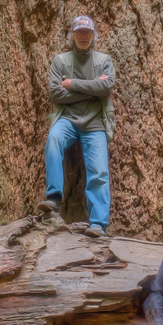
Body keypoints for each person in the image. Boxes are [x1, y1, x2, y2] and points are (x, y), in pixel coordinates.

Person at [40, 15, 116, 237]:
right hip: (68, 120)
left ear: (93, 35)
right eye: (79, 32)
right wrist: (93, 89)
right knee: (53, 140)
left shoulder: (104, 61)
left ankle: (98, 224)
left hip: (95, 124)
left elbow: (107, 87)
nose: (83, 37)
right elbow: (56, 94)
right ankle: (53, 199)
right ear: (72, 35)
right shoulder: (61, 61)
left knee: (99, 171)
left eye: (87, 33)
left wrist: (73, 84)